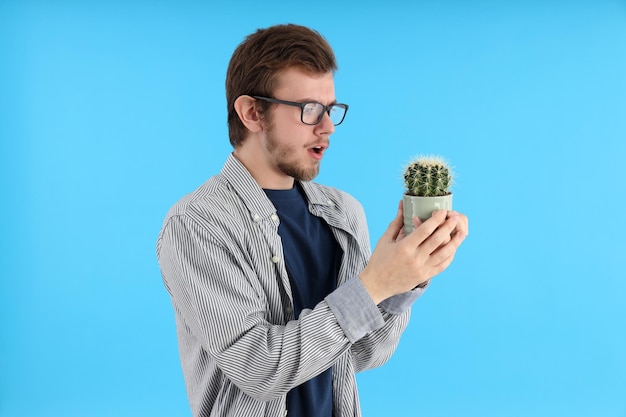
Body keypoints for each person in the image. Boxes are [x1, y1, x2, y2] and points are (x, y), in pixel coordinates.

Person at [156, 23, 468, 417]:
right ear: (252, 112)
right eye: (309, 110)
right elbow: (259, 368)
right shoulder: (198, 225)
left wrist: (405, 278)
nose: (327, 127)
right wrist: (375, 284)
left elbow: (361, 352)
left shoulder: (343, 214)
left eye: (332, 109)